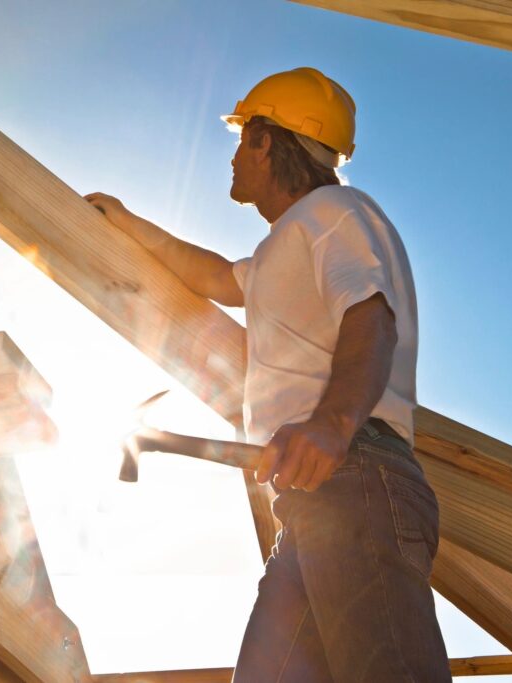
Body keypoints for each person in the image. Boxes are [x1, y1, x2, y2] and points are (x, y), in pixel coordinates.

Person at [85, 67, 450, 682]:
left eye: (240, 139)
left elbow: (370, 315)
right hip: (313, 501)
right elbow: (210, 276)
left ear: (265, 139)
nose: (233, 157)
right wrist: (122, 220)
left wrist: (332, 425)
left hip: (356, 476)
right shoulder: (288, 244)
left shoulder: (335, 212)